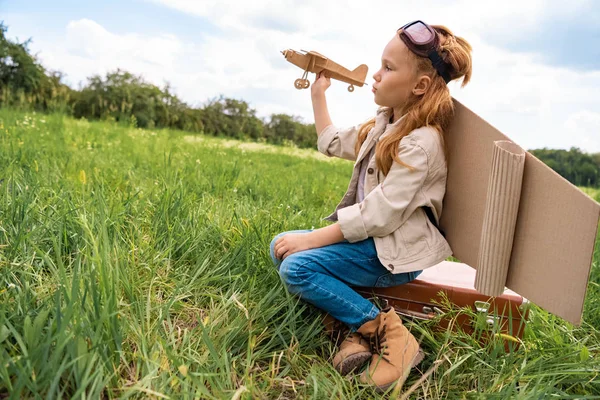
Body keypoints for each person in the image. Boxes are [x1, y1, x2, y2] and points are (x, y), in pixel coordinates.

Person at [270, 20, 473, 393]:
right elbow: (331, 142)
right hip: (372, 246)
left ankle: (390, 335)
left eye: (388, 68)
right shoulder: (384, 125)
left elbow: (378, 215)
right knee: (279, 245)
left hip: (392, 254)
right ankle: (353, 333)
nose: (376, 76)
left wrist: (314, 239)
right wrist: (319, 94)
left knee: (297, 267)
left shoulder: (421, 143)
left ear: (420, 86)